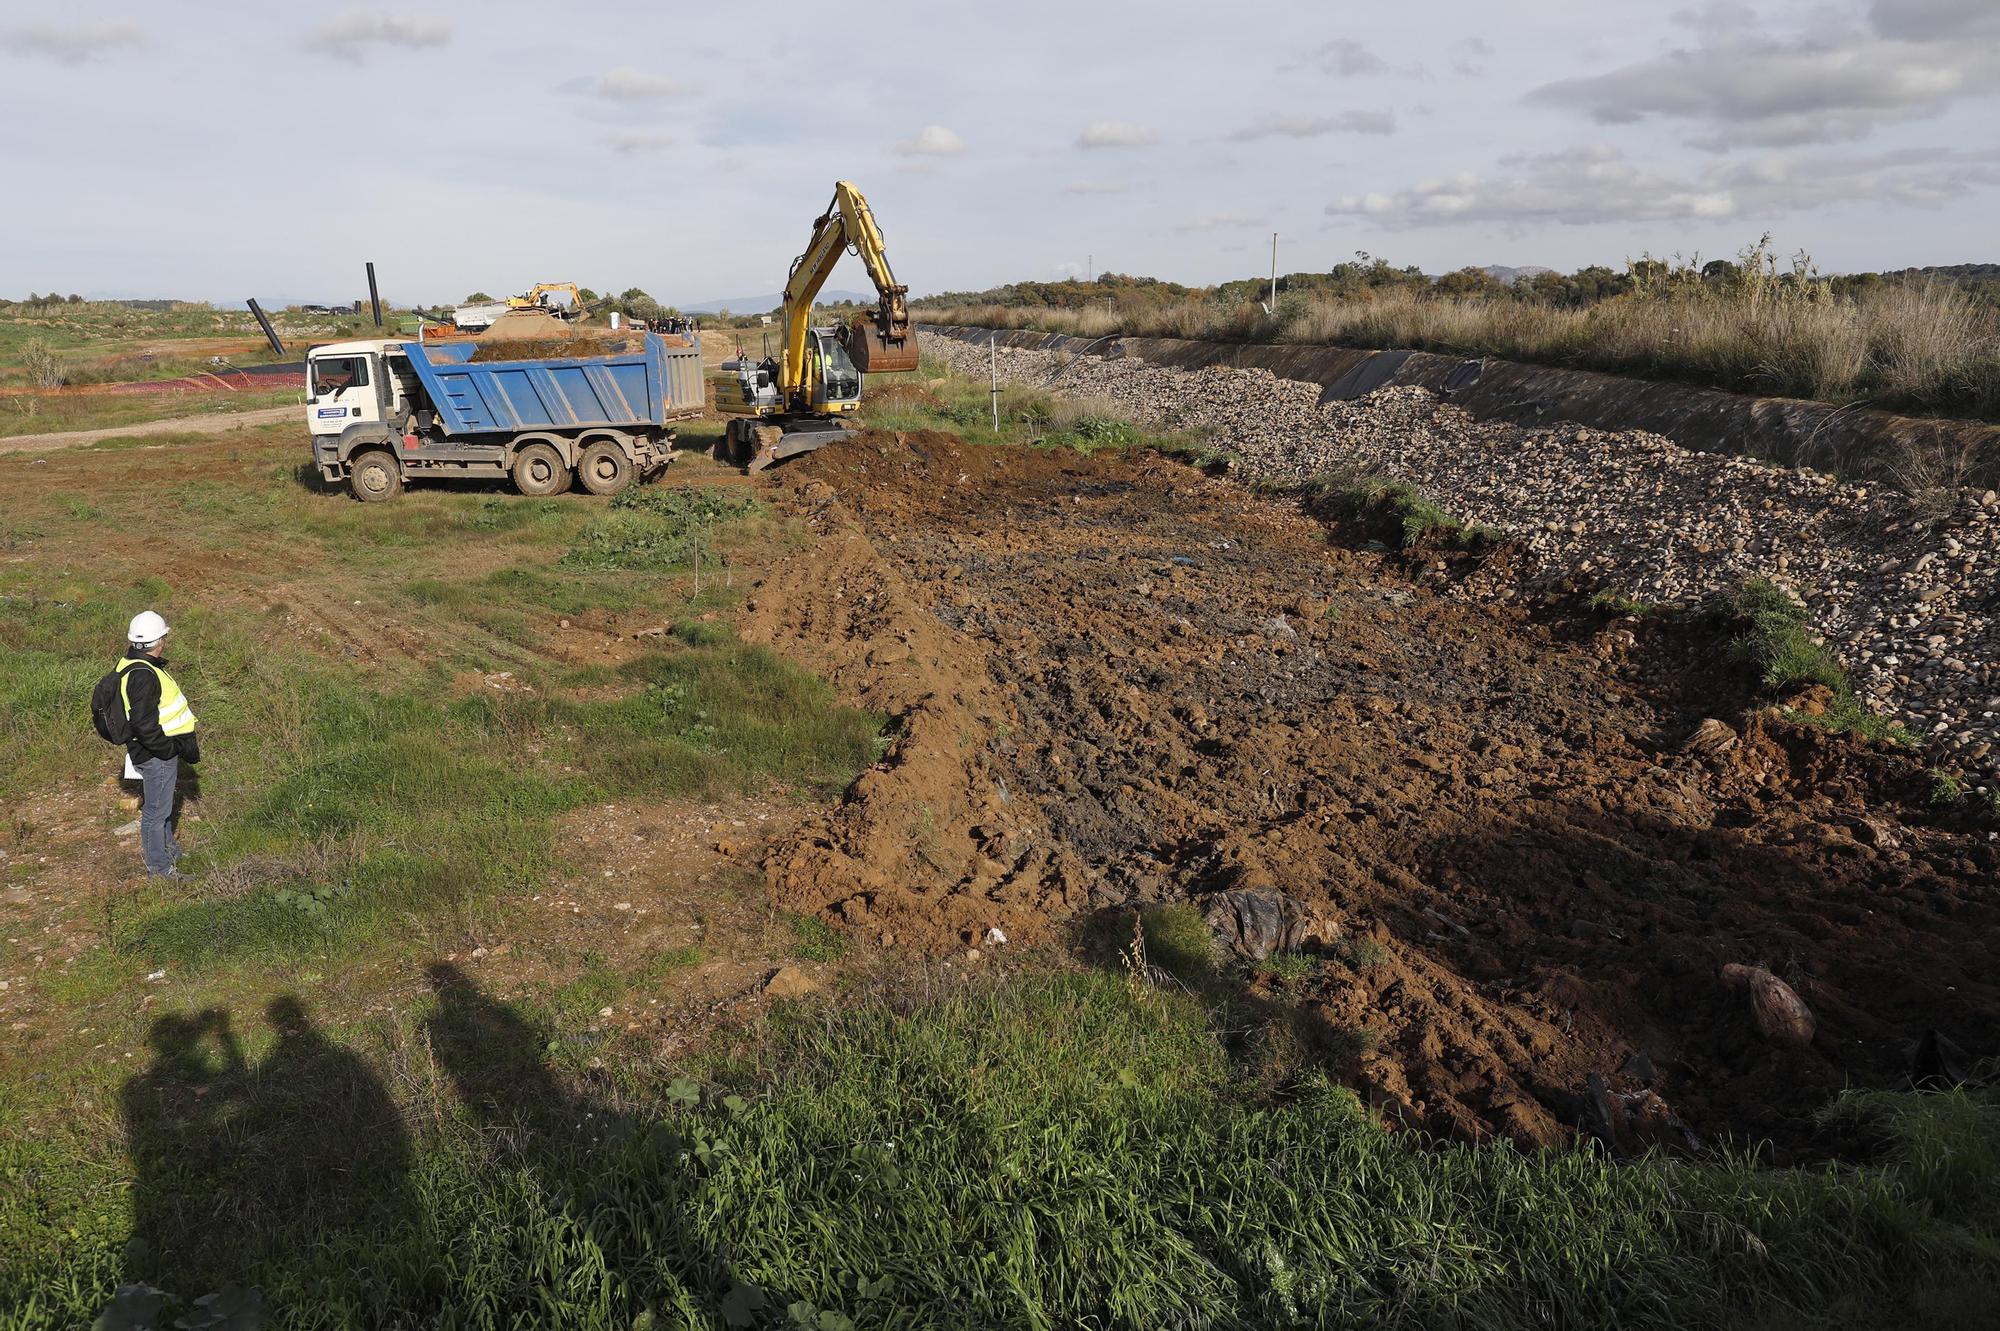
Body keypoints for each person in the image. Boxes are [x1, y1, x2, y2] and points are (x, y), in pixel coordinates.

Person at [117, 610, 200, 879]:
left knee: (159, 807)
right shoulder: (144, 675)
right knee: (156, 811)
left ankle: (169, 851)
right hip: (155, 754)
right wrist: (167, 750)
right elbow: (144, 723)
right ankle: (160, 870)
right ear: (160, 641)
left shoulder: (131, 665)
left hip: (147, 751)